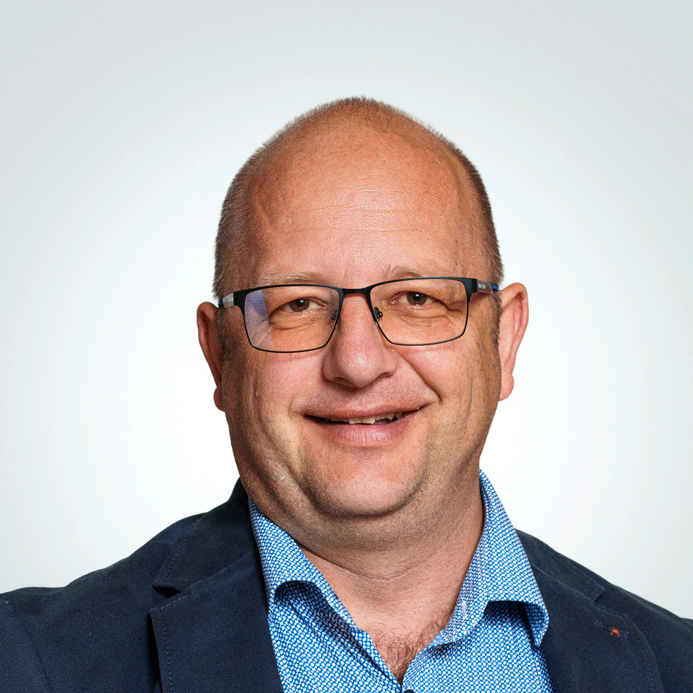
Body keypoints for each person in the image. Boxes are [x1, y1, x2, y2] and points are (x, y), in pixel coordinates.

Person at [1, 97, 691, 692]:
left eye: (417, 298)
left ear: (504, 341)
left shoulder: (676, 665)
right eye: (297, 304)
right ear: (219, 355)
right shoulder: (30, 664)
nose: (357, 362)